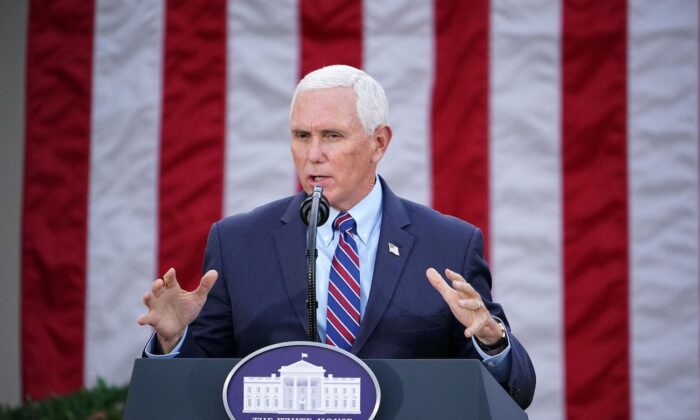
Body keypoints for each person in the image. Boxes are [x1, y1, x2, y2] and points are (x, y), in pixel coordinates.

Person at [137, 65, 536, 409]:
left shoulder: (449, 244)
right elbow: (201, 386)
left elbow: (514, 392)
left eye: (331, 136)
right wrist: (174, 342)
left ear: (378, 143)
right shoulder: (238, 243)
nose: (313, 154)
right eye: (300, 135)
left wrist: (493, 341)